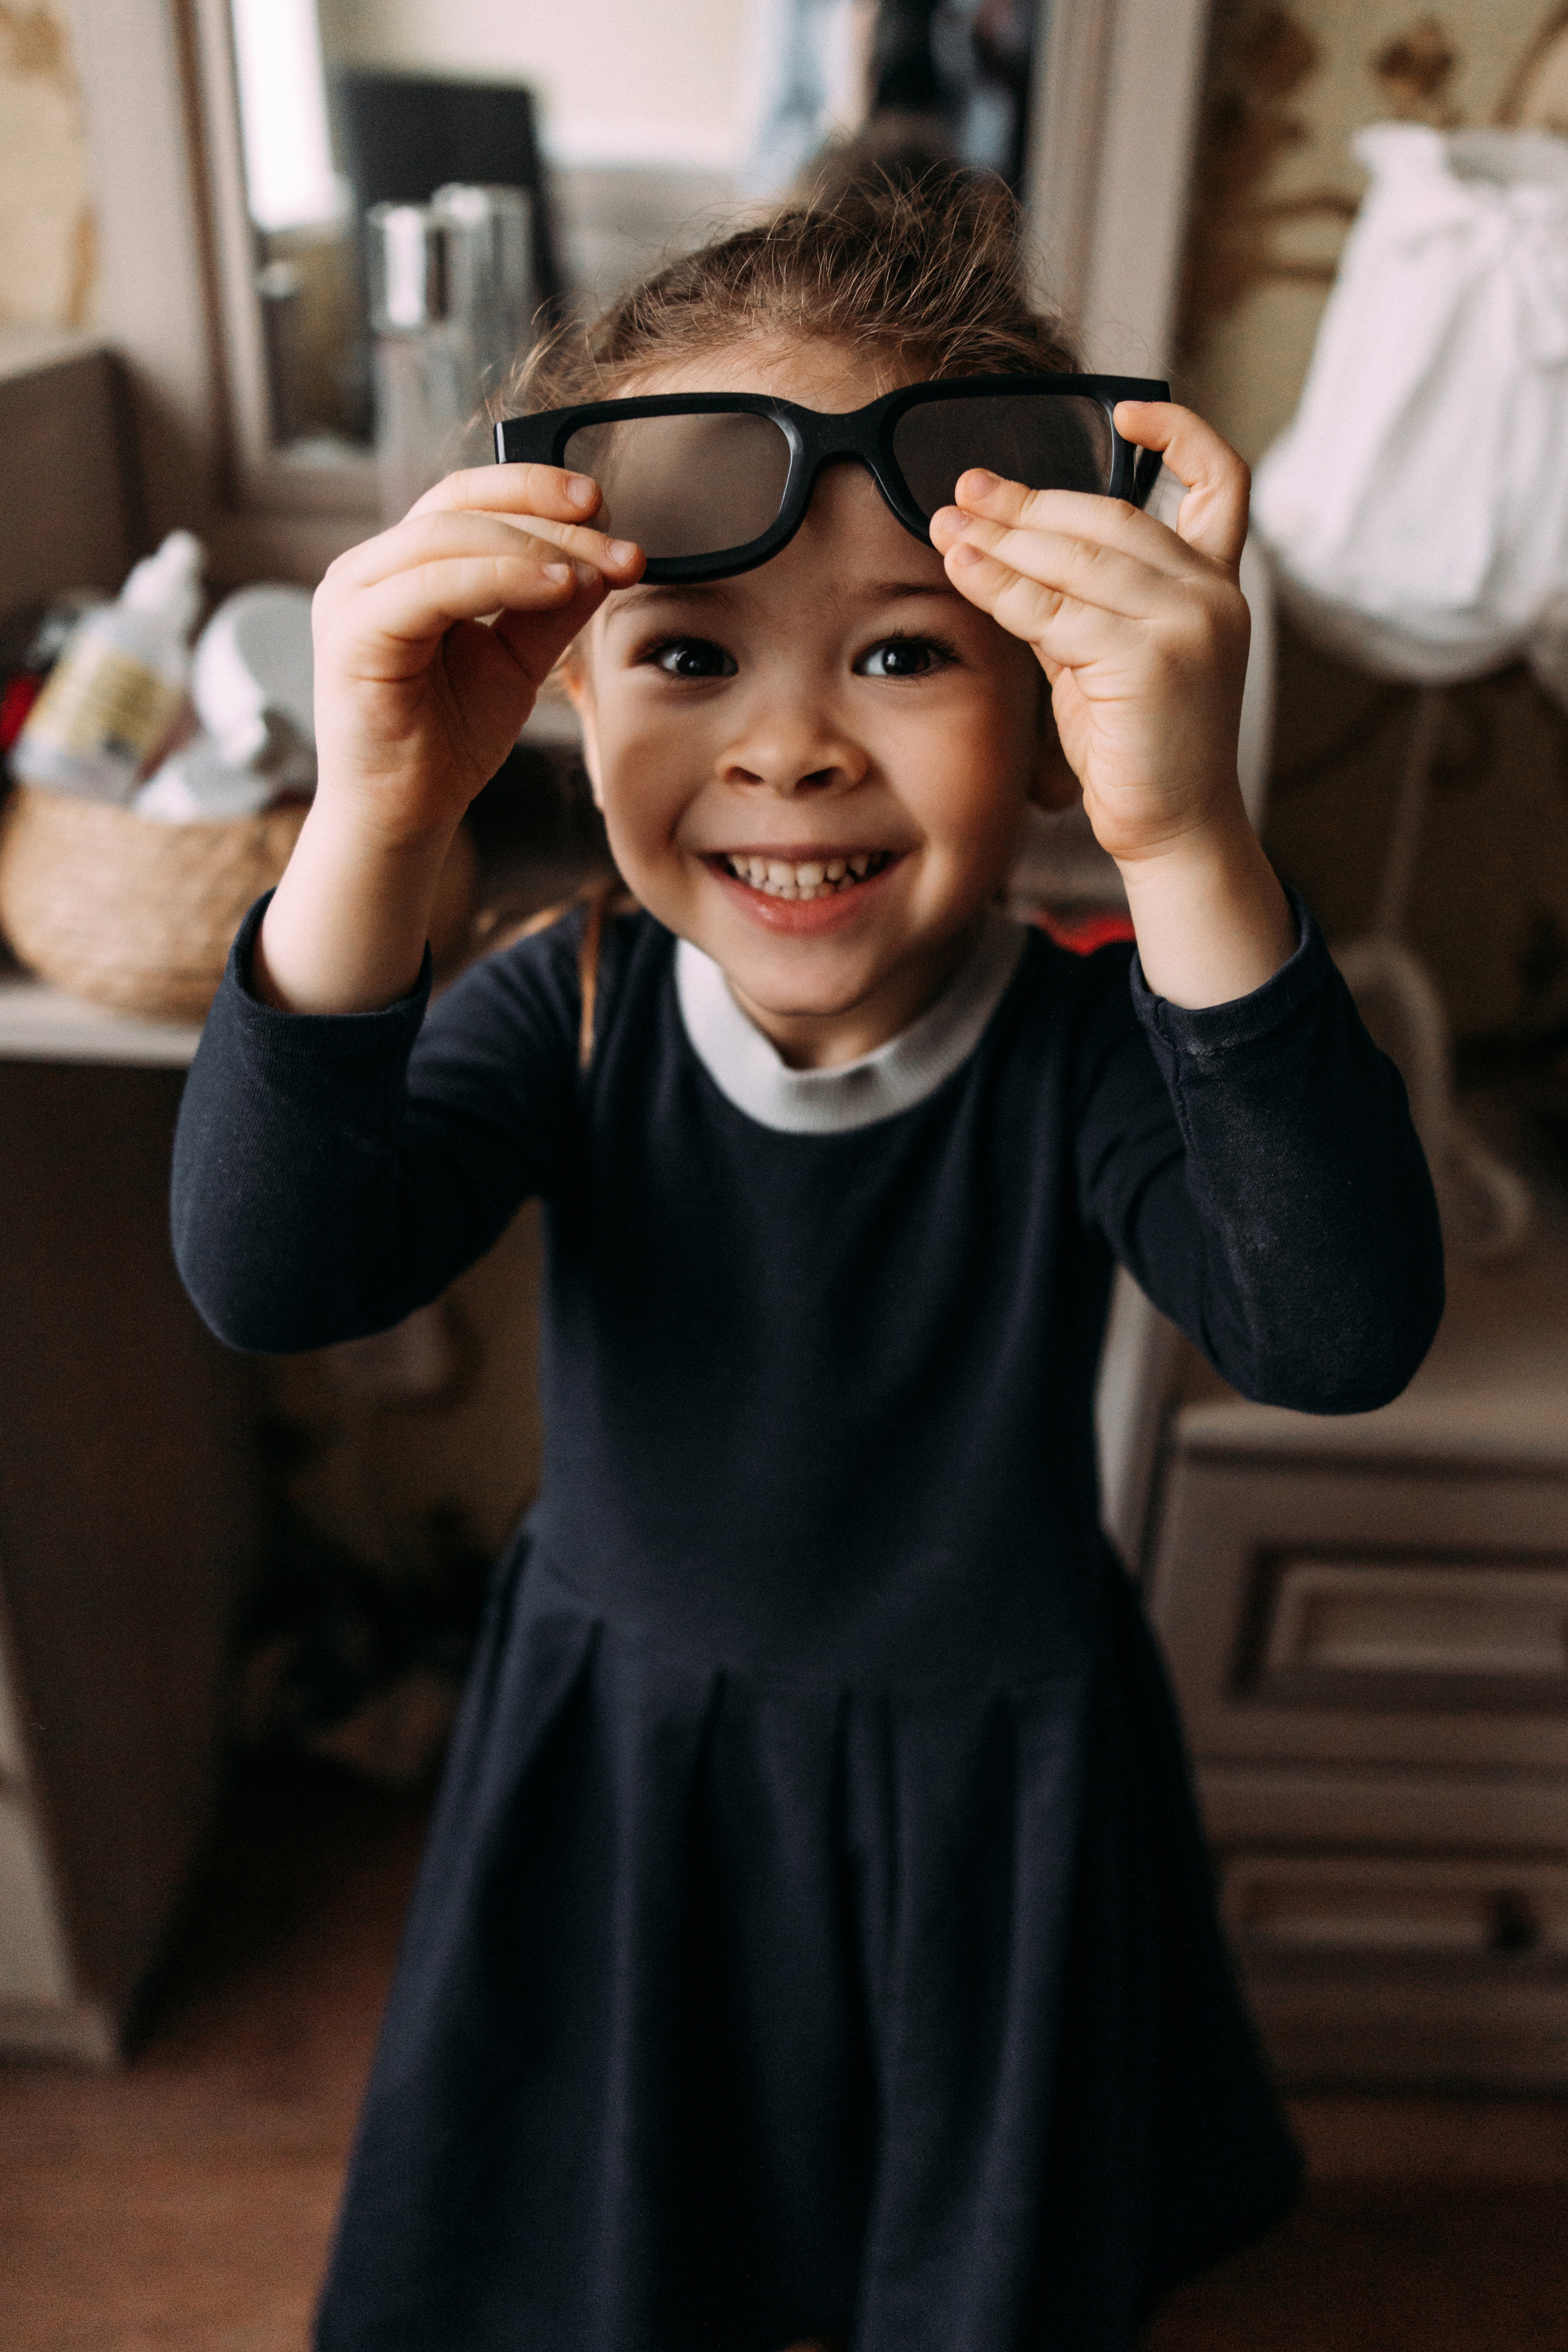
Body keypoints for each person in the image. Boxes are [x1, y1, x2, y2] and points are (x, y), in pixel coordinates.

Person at [172, 179, 1444, 2352]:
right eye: (690, 650)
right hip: (628, 1783)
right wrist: (374, 819)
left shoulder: (1078, 1046)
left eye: (901, 651)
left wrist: (1190, 832)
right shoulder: (557, 1004)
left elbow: (1332, 1331)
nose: (790, 745)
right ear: (564, 682)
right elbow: (272, 1274)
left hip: (995, 1806)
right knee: (634, 2251)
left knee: (958, 2263)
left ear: (1051, 701)